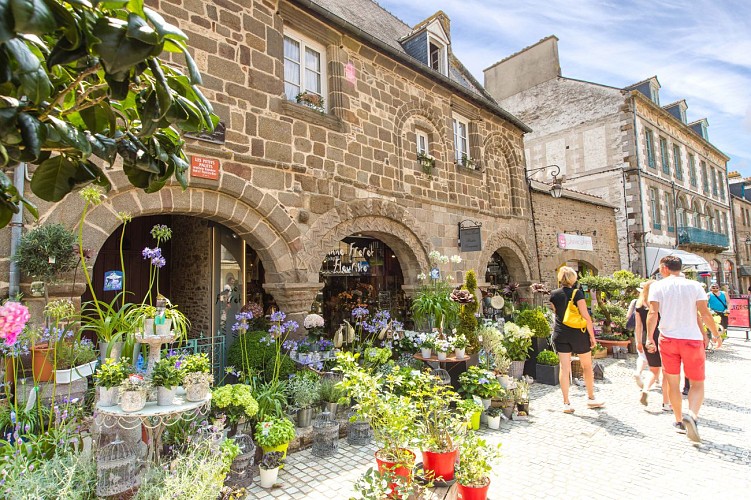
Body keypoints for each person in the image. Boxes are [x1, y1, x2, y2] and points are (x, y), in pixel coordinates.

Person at [647, 256, 722, 443]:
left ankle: (679, 420)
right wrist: (715, 334)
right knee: (697, 383)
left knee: (673, 383)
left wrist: (650, 338)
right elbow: (704, 313)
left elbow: (652, 313)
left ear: (664, 268)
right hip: (691, 339)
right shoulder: (695, 286)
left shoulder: (657, 286)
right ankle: (692, 415)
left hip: (668, 339)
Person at [549, 266, 604, 413]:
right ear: (573, 278)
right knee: (586, 366)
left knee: (564, 367)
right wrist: (592, 336)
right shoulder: (577, 293)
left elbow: (557, 313)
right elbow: (586, 316)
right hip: (578, 333)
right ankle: (591, 398)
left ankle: (566, 402)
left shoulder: (553, 294)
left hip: (560, 333)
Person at [634, 280, 671, 411]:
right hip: (662, 336)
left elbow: (638, 326)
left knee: (653, 370)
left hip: (647, 339)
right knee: (667, 372)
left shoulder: (640, 305)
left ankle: (645, 389)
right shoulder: (659, 304)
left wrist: (638, 341)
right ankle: (666, 403)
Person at [626, 296, 648, 389]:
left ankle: (638, 372)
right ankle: (656, 378)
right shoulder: (655, 301)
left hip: (639, 331)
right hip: (653, 331)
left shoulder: (636, 302)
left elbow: (628, 316)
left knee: (642, 356)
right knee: (655, 356)